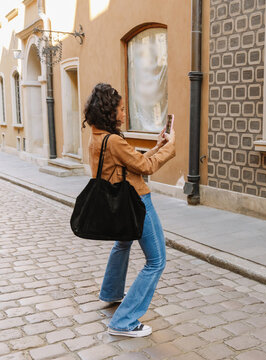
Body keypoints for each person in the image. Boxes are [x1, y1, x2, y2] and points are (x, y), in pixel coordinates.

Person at [83, 83, 176, 337]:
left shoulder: (98, 135)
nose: (124, 113)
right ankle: (123, 322)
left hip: (119, 203)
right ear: (109, 112)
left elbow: (133, 161)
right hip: (136, 202)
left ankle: (111, 293)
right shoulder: (113, 140)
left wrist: (157, 145)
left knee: (122, 244)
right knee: (156, 261)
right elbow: (145, 167)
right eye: (121, 109)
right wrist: (169, 147)